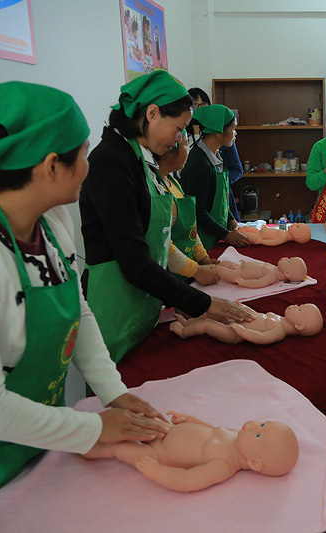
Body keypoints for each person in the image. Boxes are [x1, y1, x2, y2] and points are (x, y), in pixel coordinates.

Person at [0, 82, 168, 531]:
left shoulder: (52, 221)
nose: (88, 166)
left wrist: (112, 391)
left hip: (39, 437)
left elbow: (76, 310)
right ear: (50, 167)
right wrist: (94, 430)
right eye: (82, 155)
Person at [80, 71, 252, 364]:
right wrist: (201, 303)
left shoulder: (139, 155)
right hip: (115, 307)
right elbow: (134, 260)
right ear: (152, 113)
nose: (178, 140)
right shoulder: (111, 162)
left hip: (143, 303)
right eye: (178, 129)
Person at [83, 411, 299, 492]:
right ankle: (95, 426)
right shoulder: (236, 436)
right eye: (262, 424)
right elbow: (211, 429)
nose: (253, 426)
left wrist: (157, 471)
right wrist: (191, 420)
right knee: (137, 420)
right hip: (166, 430)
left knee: (120, 449)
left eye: (259, 435)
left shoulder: (223, 465)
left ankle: (94, 448)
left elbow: (188, 480)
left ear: (254, 463)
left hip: (159, 455)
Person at [182, 104, 251, 250]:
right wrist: (226, 235)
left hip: (215, 236)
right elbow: (198, 212)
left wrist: (231, 219)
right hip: (202, 244)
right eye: (233, 129)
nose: (235, 134)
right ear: (219, 131)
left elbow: (219, 201)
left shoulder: (214, 155)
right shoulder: (198, 163)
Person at [154, 131, 219, 286]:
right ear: (169, 153)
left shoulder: (173, 182)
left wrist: (203, 259)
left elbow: (191, 229)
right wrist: (195, 270)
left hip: (187, 271)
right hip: (170, 276)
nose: (189, 152)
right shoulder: (156, 189)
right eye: (185, 145)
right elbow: (163, 243)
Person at [188, 88, 245, 222]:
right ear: (219, 132)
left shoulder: (220, 147)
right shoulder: (197, 156)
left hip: (223, 207)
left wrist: (219, 184)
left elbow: (237, 169)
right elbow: (200, 212)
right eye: (193, 105)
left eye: (201, 105)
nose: (197, 109)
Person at [170, 304, 324, 345]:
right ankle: (189, 323)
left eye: (299, 309)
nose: (295, 305)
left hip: (235, 335)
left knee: (208, 324)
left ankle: (184, 332)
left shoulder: (279, 330)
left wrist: (242, 332)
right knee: (214, 314)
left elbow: (261, 337)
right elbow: (257, 317)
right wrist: (245, 309)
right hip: (237, 321)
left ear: (299, 326)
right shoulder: (279, 318)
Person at [213, 256, 308, 287]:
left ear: (287, 274)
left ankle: (210, 271)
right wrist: (246, 264)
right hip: (240, 266)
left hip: (239, 274)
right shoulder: (275, 268)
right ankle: (209, 266)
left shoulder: (273, 276)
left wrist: (244, 282)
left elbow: (258, 283)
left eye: (288, 261)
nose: (285, 258)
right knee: (223, 263)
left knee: (219, 270)